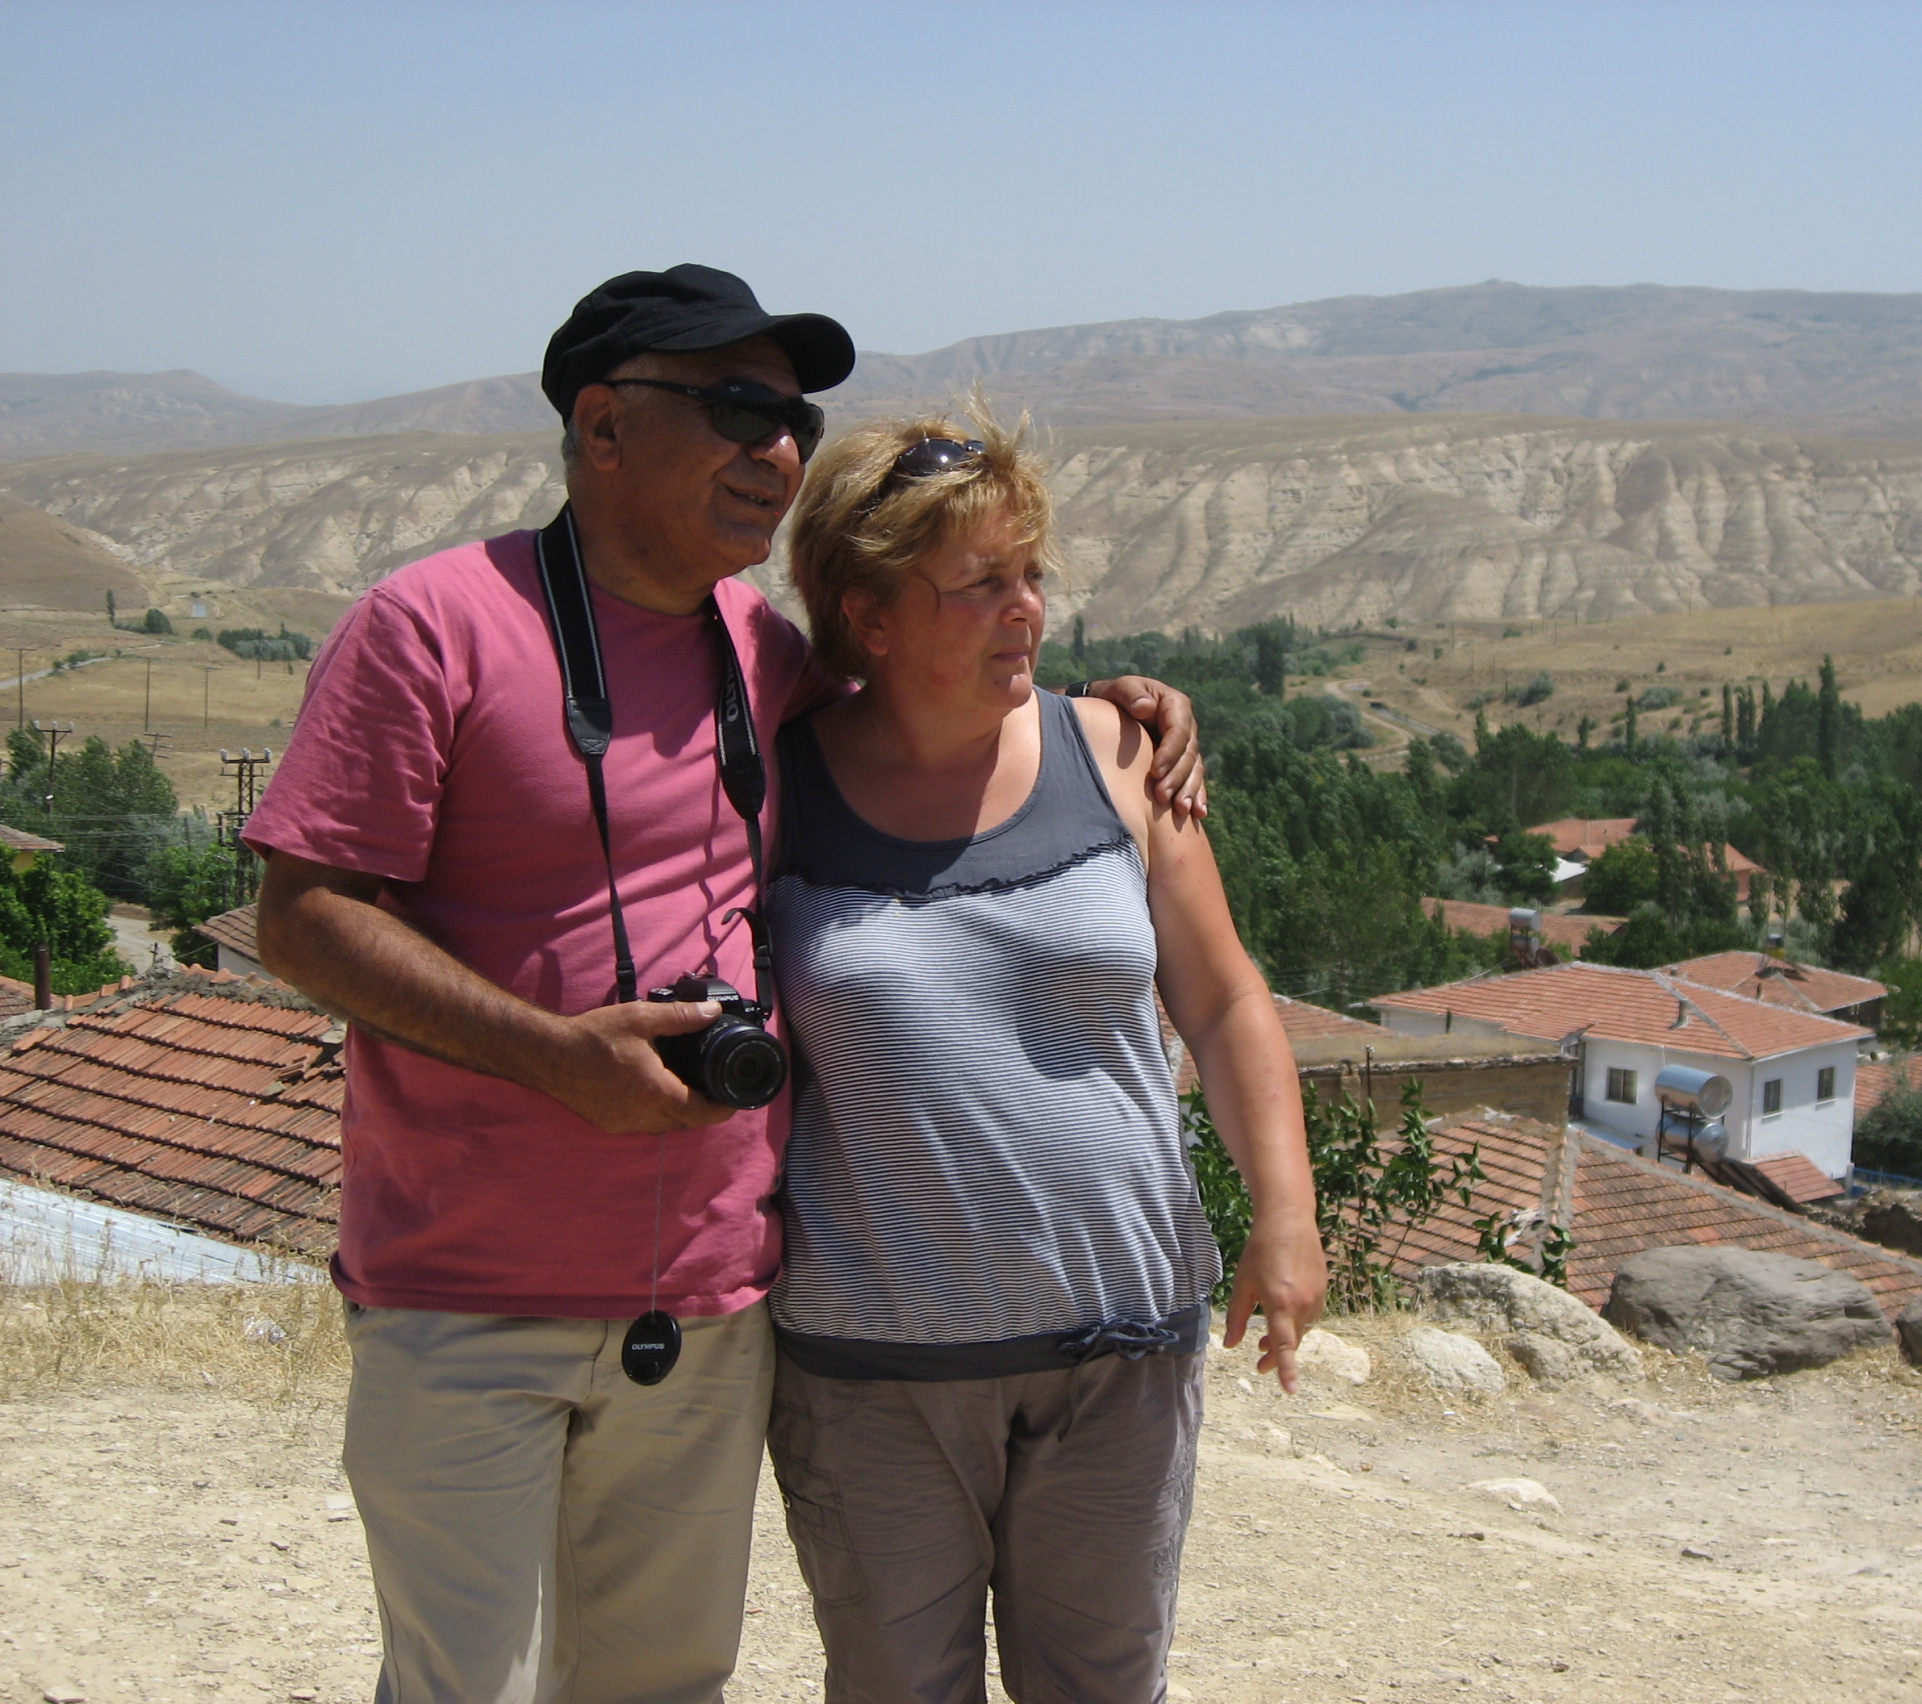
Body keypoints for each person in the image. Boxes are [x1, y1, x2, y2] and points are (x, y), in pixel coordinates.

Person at [246, 266, 1205, 1704]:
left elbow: (942, 710)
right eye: (740, 408)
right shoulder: (429, 625)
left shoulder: (766, 656)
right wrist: (552, 1055)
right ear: (603, 425)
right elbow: (305, 918)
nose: (779, 449)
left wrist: (1109, 710)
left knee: (662, 1685)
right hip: (466, 1289)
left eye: (795, 421)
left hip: (706, 1301)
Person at [762, 402, 1327, 1704]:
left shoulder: (1118, 754)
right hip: (873, 1373)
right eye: (980, 584)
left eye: (1031, 574)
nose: (1026, 609)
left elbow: (1226, 1001)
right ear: (868, 614)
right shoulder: (777, 790)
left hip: (1119, 1350)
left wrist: (1286, 1217)